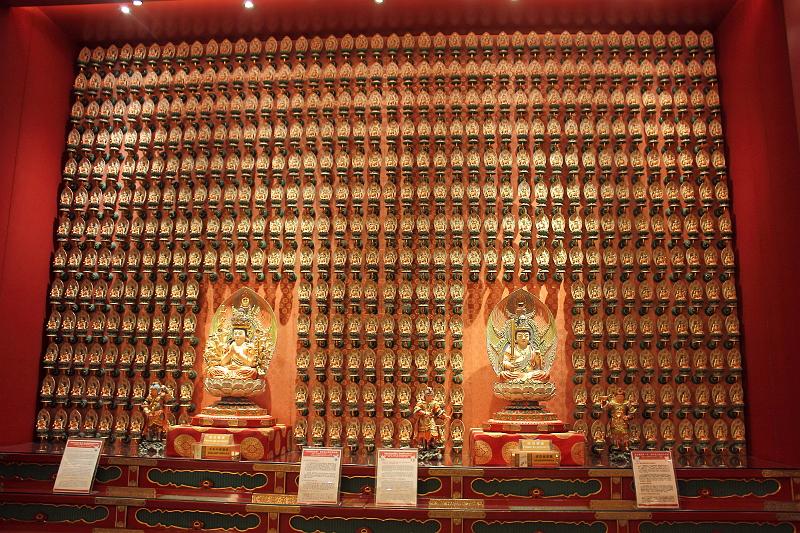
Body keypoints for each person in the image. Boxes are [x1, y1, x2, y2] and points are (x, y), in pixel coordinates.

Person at [412, 387, 448, 452]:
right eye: (428, 395)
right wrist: (425, 413)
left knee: (432, 432)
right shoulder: (421, 403)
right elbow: (416, 410)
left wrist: (445, 416)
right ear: (425, 396)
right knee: (424, 433)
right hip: (423, 420)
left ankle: (432, 444)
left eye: (431, 395)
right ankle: (424, 446)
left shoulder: (434, 403)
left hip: (431, 420)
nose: (429, 397)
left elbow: (438, 411)